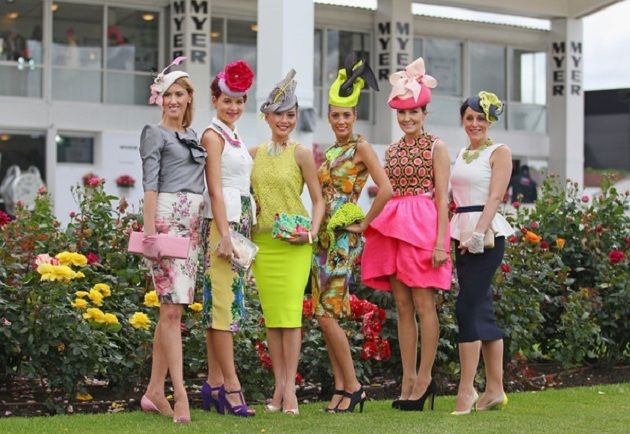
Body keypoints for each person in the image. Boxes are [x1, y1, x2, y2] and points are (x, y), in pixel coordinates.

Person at [361, 57, 451, 412]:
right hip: (394, 229)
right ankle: (407, 378)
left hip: (423, 230)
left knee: (424, 305)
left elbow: (443, 198)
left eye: (414, 112)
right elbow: (384, 190)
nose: (407, 119)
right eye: (402, 113)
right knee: (401, 307)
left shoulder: (436, 147)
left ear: (425, 113)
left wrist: (442, 243)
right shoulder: (393, 150)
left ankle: (425, 378)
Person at [312, 54, 392, 413]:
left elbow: (386, 188)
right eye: (335, 115)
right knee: (322, 313)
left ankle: (355, 386)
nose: (341, 121)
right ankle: (342, 387)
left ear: (354, 117)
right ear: (329, 117)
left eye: (346, 115)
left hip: (343, 239)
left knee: (326, 313)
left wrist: (364, 224)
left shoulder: (361, 147)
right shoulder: (331, 151)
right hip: (323, 238)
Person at [250, 69, 325, 416]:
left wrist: (311, 232)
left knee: (291, 317)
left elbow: (319, 199)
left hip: (295, 245)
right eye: (279, 114)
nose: (285, 120)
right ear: (266, 117)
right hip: (264, 245)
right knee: (272, 319)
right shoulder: (253, 154)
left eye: (291, 114)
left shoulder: (302, 153)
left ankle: (289, 389)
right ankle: (278, 388)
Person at [139, 57, 205, 424]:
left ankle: (153, 390)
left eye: (179, 94)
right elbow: (150, 183)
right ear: (160, 98)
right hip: (165, 220)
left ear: (189, 98)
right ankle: (179, 395)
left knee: (172, 309)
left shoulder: (192, 136)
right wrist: (150, 231)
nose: (173, 100)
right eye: (167, 94)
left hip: (191, 225)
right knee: (171, 310)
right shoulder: (155, 133)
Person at [449, 91, 515, 415]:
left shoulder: (499, 152)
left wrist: (477, 234)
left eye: (480, 118)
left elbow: (496, 196)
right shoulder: (461, 153)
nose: (474, 123)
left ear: (489, 121)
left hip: (487, 236)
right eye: (469, 117)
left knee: (466, 307)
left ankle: (466, 390)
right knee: (482, 311)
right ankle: (495, 391)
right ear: (462, 120)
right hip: (460, 233)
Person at [199, 60, 256, 417]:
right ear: (215, 99)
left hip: (238, 224)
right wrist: (224, 235)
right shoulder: (212, 135)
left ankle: (214, 383)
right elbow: (215, 190)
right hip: (224, 227)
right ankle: (231, 387)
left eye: (239, 101)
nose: (233, 107)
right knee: (223, 306)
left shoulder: (233, 135)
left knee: (224, 302)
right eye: (227, 100)